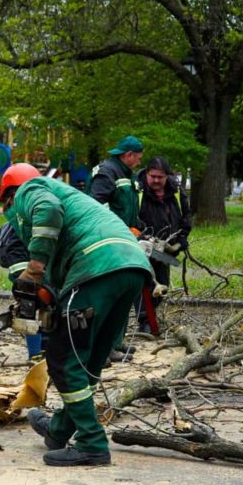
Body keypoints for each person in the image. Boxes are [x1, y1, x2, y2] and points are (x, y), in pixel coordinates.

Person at [0, 163, 152, 467]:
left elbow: (47, 210)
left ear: (11, 194)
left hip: (97, 266)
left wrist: (34, 268)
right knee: (89, 358)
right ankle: (58, 430)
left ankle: (92, 443)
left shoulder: (32, 190)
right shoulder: (74, 201)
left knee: (62, 358)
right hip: (131, 268)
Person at [88, 134, 145, 361]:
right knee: (111, 294)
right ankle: (104, 348)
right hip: (109, 242)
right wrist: (117, 230)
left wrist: (138, 228)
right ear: (128, 155)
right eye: (138, 158)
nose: (140, 162)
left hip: (124, 239)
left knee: (124, 293)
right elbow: (95, 207)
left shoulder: (125, 174)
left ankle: (115, 343)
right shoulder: (106, 173)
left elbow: (127, 207)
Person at [135, 156, 191, 333]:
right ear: (147, 173)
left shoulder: (176, 192)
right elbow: (130, 218)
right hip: (143, 246)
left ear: (168, 176)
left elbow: (186, 216)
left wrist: (182, 237)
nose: (156, 180)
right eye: (153, 176)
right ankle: (145, 321)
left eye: (160, 177)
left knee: (162, 285)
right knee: (143, 284)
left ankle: (152, 315)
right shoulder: (138, 191)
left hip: (166, 248)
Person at [0, 221, 43, 360]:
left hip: (22, 255)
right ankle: (35, 353)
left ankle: (40, 348)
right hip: (21, 257)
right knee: (30, 303)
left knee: (35, 302)